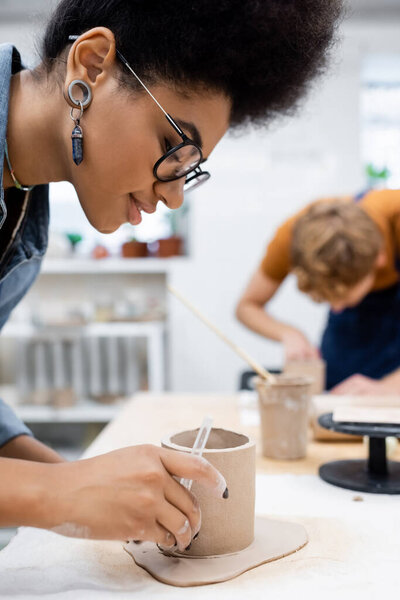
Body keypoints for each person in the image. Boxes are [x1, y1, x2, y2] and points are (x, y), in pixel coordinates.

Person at [0, 0, 342, 549]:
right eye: (171, 147)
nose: (174, 193)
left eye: (189, 170)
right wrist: (57, 493)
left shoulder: (21, 210)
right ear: (91, 66)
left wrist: (83, 482)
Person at [236, 190, 400, 395]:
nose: (337, 308)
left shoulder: (396, 216)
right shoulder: (293, 239)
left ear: (380, 258)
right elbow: (247, 305)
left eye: (344, 297)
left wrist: (389, 388)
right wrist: (288, 333)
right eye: (328, 299)